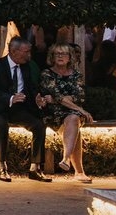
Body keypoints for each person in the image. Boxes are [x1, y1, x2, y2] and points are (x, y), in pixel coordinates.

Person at [0, 37, 51, 183]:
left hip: (19, 109)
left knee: (39, 125)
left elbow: (30, 88)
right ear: (14, 51)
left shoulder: (26, 66)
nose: (29, 55)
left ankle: (35, 168)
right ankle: (2, 166)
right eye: (26, 52)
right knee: (1, 125)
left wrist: (38, 98)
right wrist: (9, 98)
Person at [40, 42, 94, 182]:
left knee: (73, 119)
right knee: (75, 124)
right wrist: (80, 109)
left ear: (70, 57)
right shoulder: (47, 74)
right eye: (57, 53)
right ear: (52, 56)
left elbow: (80, 96)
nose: (60, 56)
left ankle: (66, 159)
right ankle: (78, 171)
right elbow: (58, 95)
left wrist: (57, 99)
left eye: (63, 53)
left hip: (72, 114)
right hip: (54, 114)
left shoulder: (76, 75)